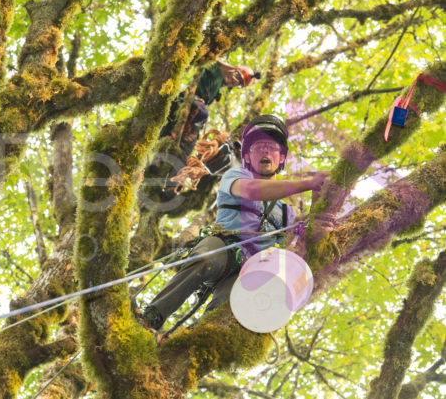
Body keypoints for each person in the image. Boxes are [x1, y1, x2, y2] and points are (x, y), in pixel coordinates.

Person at [140, 114, 332, 335]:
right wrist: (308, 183)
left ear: (281, 158)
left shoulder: (286, 212)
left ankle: (192, 341)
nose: (266, 151)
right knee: (204, 259)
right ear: (248, 156)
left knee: (227, 308)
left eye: (272, 147)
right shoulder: (235, 176)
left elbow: (293, 246)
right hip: (222, 246)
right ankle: (153, 315)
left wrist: (321, 194)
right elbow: (251, 190)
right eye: (259, 146)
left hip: (250, 267)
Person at [150, 61, 259, 173]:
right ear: (233, 70)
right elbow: (207, 54)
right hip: (186, 101)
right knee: (170, 130)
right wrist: (223, 66)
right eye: (238, 76)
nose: (235, 82)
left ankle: (174, 180)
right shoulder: (216, 71)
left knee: (187, 149)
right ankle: (156, 160)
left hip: (194, 118)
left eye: (239, 83)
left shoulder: (217, 88)